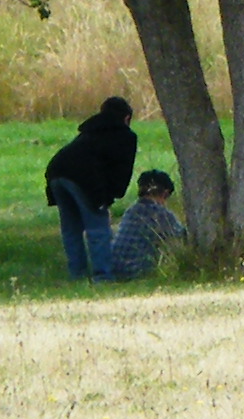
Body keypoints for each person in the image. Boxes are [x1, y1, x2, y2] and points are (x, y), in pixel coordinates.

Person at [43, 97, 138, 279]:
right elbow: (122, 170)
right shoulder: (125, 135)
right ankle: (103, 276)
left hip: (56, 171)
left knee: (71, 228)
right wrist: (108, 198)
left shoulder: (90, 130)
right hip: (85, 178)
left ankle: (77, 274)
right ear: (126, 118)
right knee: (98, 228)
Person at [106, 170, 188, 281]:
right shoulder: (161, 214)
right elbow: (183, 236)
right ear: (165, 193)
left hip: (114, 268)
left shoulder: (131, 211)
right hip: (137, 270)